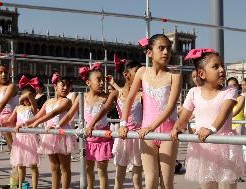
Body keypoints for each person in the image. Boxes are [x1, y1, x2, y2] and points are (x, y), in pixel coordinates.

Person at [170, 48, 244, 189]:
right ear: (202, 73)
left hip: (225, 145)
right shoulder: (193, 92)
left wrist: (211, 129)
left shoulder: (230, 90)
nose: (222, 69)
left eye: (222, 65)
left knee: (227, 186)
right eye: (215, 66)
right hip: (203, 147)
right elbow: (184, 117)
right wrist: (176, 128)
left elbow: (223, 113)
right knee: (207, 186)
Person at [121, 34, 182, 189]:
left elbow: (170, 107)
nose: (166, 52)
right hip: (146, 133)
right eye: (161, 48)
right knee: (150, 180)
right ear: (149, 52)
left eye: (168, 49)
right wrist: (123, 123)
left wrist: (152, 127)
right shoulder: (142, 72)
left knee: (166, 182)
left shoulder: (175, 75)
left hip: (168, 133)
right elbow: (129, 99)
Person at [89, 56, 143, 189]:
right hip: (123, 136)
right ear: (126, 74)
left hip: (138, 137)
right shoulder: (116, 94)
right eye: (137, 72)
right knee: (120, 176)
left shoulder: (143, 94)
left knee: (137, 178)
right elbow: (103, 110)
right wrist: (91, 124)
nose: (141, 76)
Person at [58, 63, 113, 189]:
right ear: (88, 82)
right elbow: (69, 115)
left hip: (102, 138)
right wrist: (57, 125)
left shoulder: (105, 97)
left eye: (103, 80)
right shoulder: (81, 97)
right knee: (88, 170)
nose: (101, 83)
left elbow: (116, 93)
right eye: (98, 80)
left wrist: (112, 83)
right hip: (88, 140)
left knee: (102, 172)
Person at [21, 72, 76, 189]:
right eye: (63, 85)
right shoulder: (48, 101)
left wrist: (36, 123)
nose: (66, 88)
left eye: (68, 86)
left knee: (64, 167)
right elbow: (37, 116)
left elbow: (53, 113)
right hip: (50, 134)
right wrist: (24, 123)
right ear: (55, 86)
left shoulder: (67, 101)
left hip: (62, 134)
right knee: (54, 166)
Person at [1, 75, 40, 189]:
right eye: (25, 98)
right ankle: (20, 186)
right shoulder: (18, 108)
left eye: (30, 98)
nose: (27, 100)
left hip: (30, 139)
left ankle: (34, 187)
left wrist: (25, 95)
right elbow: (9, 121)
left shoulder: (33, 108)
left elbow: (29, 95)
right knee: (20, 165)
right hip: (19, 139)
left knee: (33, 166)